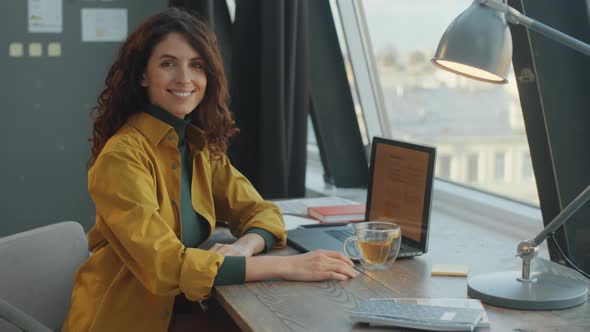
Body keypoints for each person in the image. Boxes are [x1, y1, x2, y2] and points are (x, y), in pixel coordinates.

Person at [62, 7, 358, 332]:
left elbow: (262, 212)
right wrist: (287, 266)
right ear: (143, 76)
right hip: (126, 320)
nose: (184, 78)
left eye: (196, 65)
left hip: (186, 309)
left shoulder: (198, 146)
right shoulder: (122, 157)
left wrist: (244, 247)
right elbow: (164, 266)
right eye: (168, 64)